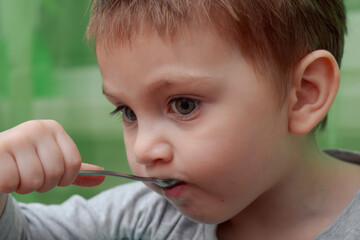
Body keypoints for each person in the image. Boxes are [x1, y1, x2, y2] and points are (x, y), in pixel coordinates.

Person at [1, 0, 359, 239]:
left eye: (184, 105)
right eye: (127, 112)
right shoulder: (146, 217)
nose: (143, 150)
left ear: (304, 94)